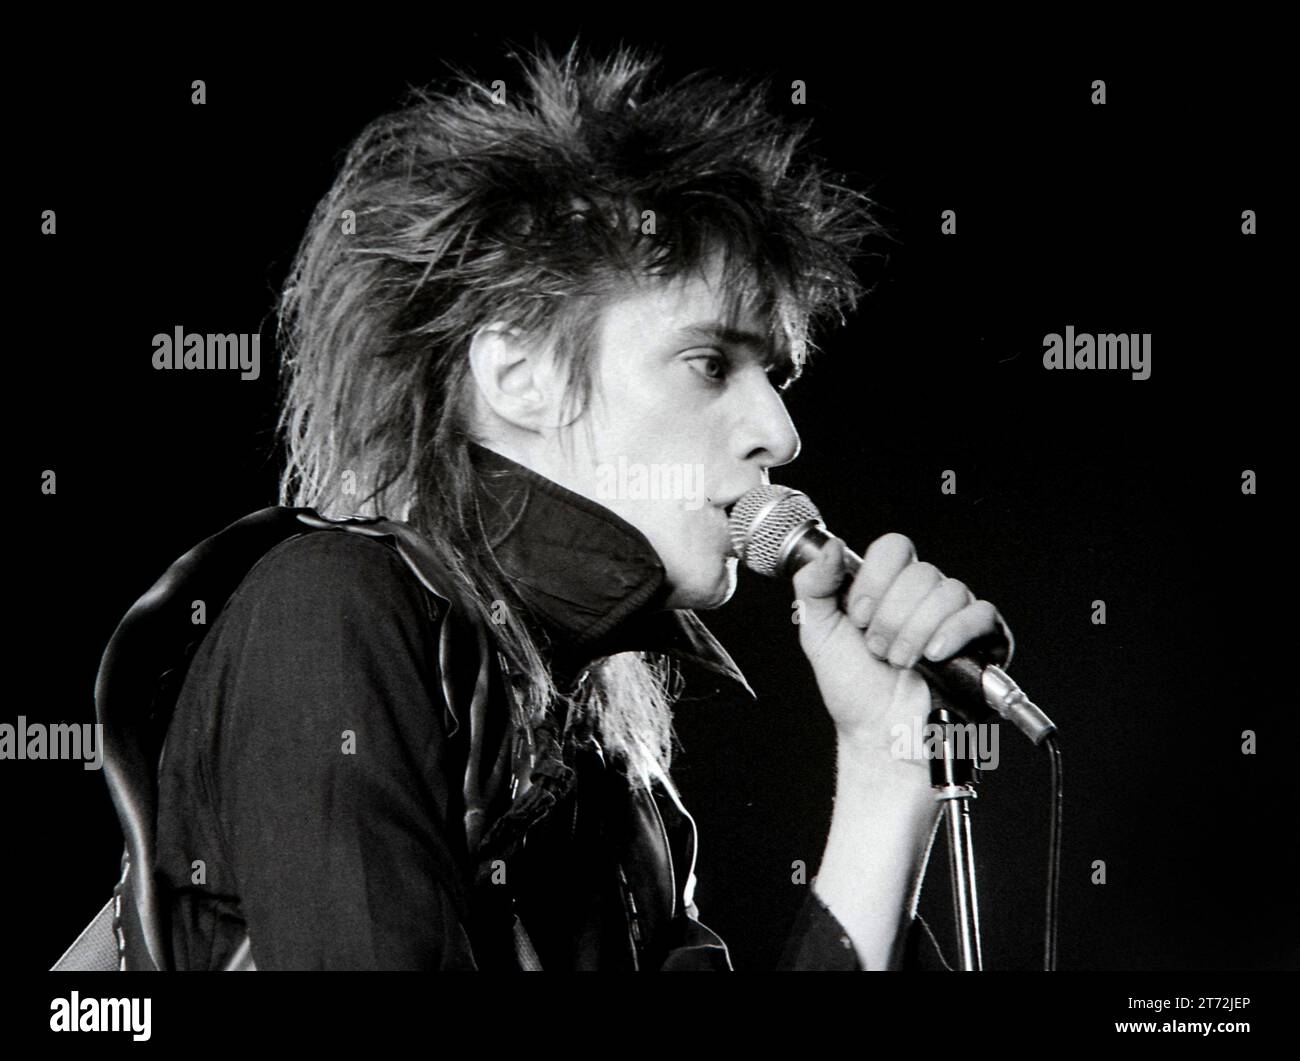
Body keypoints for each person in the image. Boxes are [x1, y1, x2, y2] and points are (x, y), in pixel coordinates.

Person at [153, 46, 1012, 970]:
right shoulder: (333, 611)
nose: (779, 430)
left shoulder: (609, 777)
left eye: (775, 373)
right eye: (710, 363)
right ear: (519, 376)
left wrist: (887, 766)